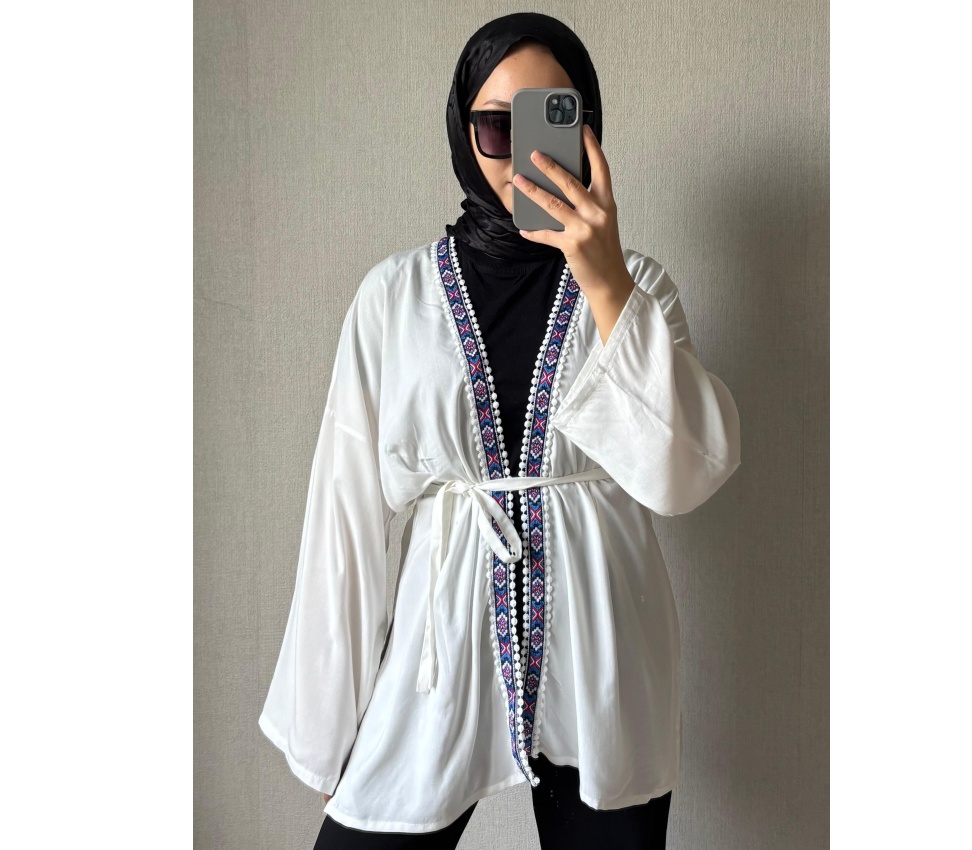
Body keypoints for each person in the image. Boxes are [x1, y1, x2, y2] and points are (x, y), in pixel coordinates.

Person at [258, 12, 741, 850]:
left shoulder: (640, 291)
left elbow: (685, 474)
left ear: (588, 129)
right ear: (462, 130)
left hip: (605, 657)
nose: (524, 154)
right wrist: (329, 725)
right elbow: (346, 514)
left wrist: (606, 283)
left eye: (551, 119)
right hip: (437, 656)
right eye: (495, 127)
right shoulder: (394, 298)